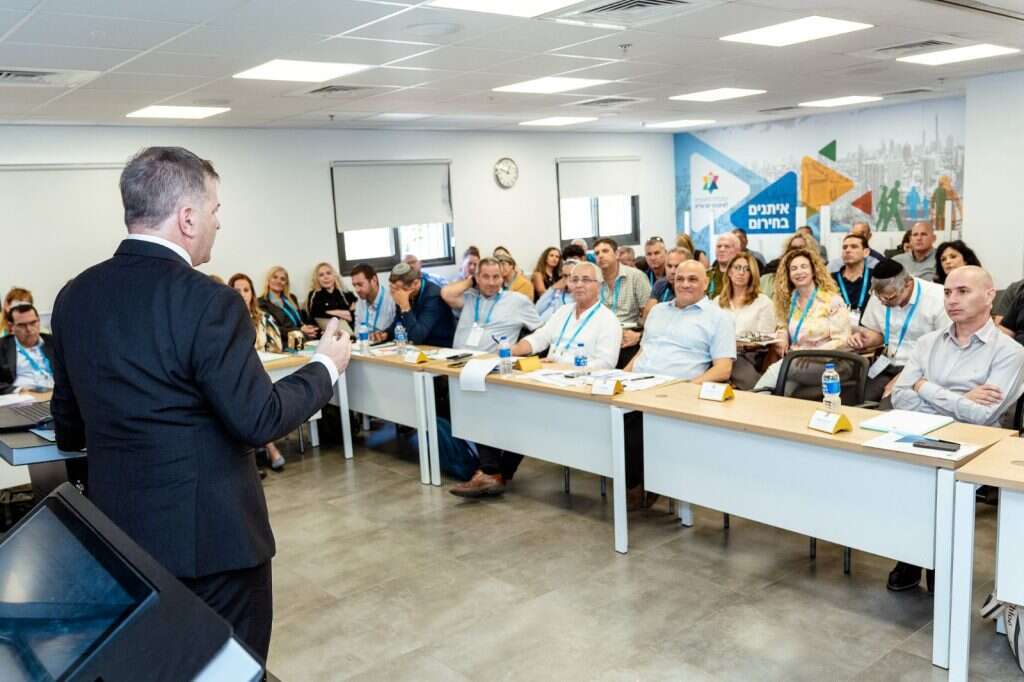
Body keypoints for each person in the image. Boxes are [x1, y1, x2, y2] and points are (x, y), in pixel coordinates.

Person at [49, 146, 351, 663]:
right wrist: (326, 366)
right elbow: (259, 418)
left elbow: (69, 427)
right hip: (213, 548)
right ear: (187, 218)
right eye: (215, 210)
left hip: (120, 538)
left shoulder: (74, 296)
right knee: (228, 668)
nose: (218, 222)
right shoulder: (209, 301)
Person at [887, 266, 1024, 592]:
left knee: (934, 483)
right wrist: (960, 397)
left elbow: (983, 415)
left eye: (963, 291)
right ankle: (915, 553)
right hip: (920, 434)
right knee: (896, 474)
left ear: (989, 296)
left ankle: (936, 561)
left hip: (972, 446)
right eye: (948, 292)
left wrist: (925, 386)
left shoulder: (1010, 352)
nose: (952, 299)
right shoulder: (928, 342)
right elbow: (900, 397)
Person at [447, 261, 620, 499]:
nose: (579, 285)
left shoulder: (608, 320)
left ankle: (492, 473)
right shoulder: (563, 312)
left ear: (599, 285)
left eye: (586, 280)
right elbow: (540, 338)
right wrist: (515, 349)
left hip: (578, 388)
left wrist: (563, 365)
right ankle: (492, 473)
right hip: (548, 380)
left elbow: (606, 363)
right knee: (488, 401)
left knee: (522, 413)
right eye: (574, 279)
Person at [623, 261, 736, 508]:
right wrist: (620, 377)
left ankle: (639, 483)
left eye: (693, 279)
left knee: (631, 423)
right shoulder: (658, 311)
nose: (685, 284)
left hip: (676, 391)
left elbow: (723, 368)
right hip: (638, 384)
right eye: (680, 278)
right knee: (604, 413)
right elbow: (643, 351)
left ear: (706, 283)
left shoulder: (719, 317)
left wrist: (688, 387)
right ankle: (636, 479)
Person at [848, 259, 950, 403]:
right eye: (878, 297)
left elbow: (945, 349)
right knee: (855, 400)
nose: (883, 302)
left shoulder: (937, 298)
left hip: (922, 369)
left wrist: (906, 376)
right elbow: (877, 333)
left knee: (888, 405)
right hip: (887, 364)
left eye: (889, 298)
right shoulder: (881, 295)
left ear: (907, 284)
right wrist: (865, 339)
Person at [754, 248, 851, 391]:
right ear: (788, 275)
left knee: (778, 370)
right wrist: (783, 335)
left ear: (813, 271)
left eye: (804, 267)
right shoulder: (790, 301)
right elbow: (782, 324)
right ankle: (759, 400)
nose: (799, 272)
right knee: (782, 390)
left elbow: (842, 341)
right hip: (797, 361)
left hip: (829, 362)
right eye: (794, 269)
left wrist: (809, 354)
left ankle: (753, 398)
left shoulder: (832, 300)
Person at [229, 273, 287, 472]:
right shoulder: (227, 320)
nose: (242, 294)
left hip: (267, 369)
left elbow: (277, 345)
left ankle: (264, 449)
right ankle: (270, 449)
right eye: (237, 290)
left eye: (246, 290)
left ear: (252, 294)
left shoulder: (264, 318)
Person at [441, 257, 541, 352]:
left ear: (502, 278)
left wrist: (519, 349)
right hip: (456, 358)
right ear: (477, 278)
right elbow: (446, 294)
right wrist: (471, 281)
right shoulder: (469, 297)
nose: (491, 283)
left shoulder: (517, 301)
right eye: (485, 276)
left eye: (496, 277)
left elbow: (541, 331)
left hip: (492, 361)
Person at [717, 253, 775, 390]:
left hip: (748, 355)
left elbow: (766, 337)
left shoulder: (763, 302)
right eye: (737, 267)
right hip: (718, 354)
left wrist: (740, 344)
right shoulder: (717, 301)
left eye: (747, 269)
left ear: (752, 274)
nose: (741, 273)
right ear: (729, 272)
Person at [593, 237, 651, 368]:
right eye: (597, 253)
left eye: (605, 251)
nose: (600, 255)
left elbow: (649, 315)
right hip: (601, 334)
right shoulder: (594, 280)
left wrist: (639, 335)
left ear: (617, 254)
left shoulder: (636, 276)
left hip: (628, 334)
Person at [388, 261, 455, 347]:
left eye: (400, 289)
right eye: (393, 288)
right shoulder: (403, 294)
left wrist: (405, 306)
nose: (396, 293)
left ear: (415, 283)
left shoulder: (433, 296)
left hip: (440, 347)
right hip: (419, 349)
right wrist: (386, 334)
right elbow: (398, 324)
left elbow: (417, 337)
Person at [0, 303, 54, 394]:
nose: (29, 329)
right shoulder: (3, 347)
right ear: (11, 327)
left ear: (39, 321)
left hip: (55, 395)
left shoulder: (53, 342)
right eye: (22, 325)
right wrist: (18, 390)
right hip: (21, 397)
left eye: (33, 323)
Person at [260, 266, 318, 340]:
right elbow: (272, 329)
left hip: (303, 336)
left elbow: (301, 320)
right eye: (275, 277)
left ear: (286, 283)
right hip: (285, 340)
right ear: (268, 280)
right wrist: (299, 331)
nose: (278, 281)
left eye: (282, 279)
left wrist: (310, 328)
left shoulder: (292, 298)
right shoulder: (262, 303)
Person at [832, 234, 874, 326]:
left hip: (868, 330)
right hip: (837, 330)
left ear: (866, 252)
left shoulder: (875, 278)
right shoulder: (830, 280)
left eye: (854, 247)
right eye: (844, 247)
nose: (847, 250)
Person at [536, 245, 584, 322]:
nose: (567, 280)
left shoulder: (580, 296)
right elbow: (537, 310)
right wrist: (553, 289)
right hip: (541, 325)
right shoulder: (558, 291)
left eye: (570, 275)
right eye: (565, 276)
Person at [306, 261, 356, 334]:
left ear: (334, 275)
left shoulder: (346, 293)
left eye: (329, 273)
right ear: (317, 279)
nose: (326, 277)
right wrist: (345, 313)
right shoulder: (314, 295)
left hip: (351, 332)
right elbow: (317, 314)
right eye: (321, 275)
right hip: (325, 333)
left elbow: (355, 314)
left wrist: (328, 311)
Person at [642, 246, 691, 320]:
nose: (672, 271)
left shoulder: (694, 288)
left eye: (677, 266)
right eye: (669, 266)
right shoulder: (660, 284)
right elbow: (647, 317)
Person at [351, 263, 396, 343]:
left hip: (387, 346)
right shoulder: (360, 302)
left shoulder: (392, 299)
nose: (357, 290)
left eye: (360, 284)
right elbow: (358, 334)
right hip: (365, 346)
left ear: (374, 280)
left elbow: (398, 330)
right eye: (354, 285)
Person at [706, 232, 741, 298]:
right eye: (719, 246)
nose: (722, 249)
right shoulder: (706, 275)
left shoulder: (745, 276)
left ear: (738, 251)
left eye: (727, 246)